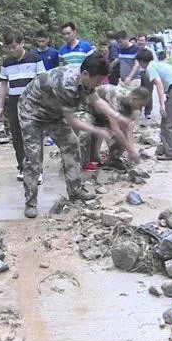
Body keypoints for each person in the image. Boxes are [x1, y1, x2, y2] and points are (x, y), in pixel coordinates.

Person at [18, 54, 135, 218]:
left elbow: (97, 101)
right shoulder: (67, 85)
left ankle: (75, 190)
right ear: (86, 74)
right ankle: (30, 203)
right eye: (98, 81)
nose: (100, 84)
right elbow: (72, 120)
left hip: (54, 112)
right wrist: (98, 130)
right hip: (32, 112)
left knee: (72, 144)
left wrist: (119, 116)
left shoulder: (86, 80)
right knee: (34, 157)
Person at [0, 30, 46, 181]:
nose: (12, 50)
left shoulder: (35, 59)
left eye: (15, 46)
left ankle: (37, 169)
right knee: (17, 137)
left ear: (22, 43)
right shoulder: (7, 63)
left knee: (34, 136)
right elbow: (3, 84)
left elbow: (42, 82)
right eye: (10, 48)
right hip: (14, 103)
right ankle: (22, 166)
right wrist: (0, 106)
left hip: (32, 103)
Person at [135, 49, 172, 160]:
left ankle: (171, 153)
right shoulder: (160, 64)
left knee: (167, 123)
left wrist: (161, 105)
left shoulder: (150, 67)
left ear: (141, 61)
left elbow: (159, 83)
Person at [87, 85, 149, 167]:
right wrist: (132, 150)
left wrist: (132, 150)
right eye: (140, 106)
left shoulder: (131, 104)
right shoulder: (116, 98)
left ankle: (112, 160)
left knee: (122, 142)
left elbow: (128, 128)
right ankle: (88, 160)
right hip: (90, 110)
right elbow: (116, 130)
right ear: (133, 99)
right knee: (93, 145)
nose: (140, 109)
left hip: (104, 115)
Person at [136, 34, 158, 119]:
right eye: (139, 40)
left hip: (147, 73)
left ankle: (148, 112)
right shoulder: (135, 50)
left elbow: (155, 61)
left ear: (146, 41)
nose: (141, 42)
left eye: (142, 40)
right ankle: (138, 111)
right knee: (138, 93)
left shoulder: (150, 51)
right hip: (137, 75)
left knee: (148, 92)